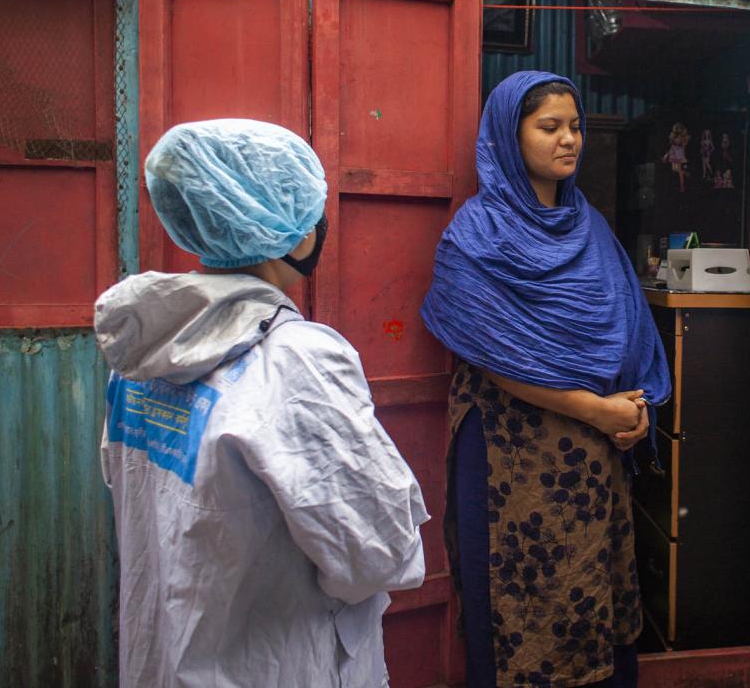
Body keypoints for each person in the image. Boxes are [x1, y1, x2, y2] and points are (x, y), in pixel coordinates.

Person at [95, 119, 429, 687]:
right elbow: (378, 552)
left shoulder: (146, 350)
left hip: (169, 657)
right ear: (298, 236)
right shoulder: (295, 359)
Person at [422, 71, 670, 687]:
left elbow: (627, 331)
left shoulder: (592, 229)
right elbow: (492, 356)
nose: (569, 140)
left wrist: (635, 413)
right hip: (510, 453)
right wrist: (597, 410)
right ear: (511, 136)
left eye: (576, 127)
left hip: (592, 457)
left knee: (592, 586)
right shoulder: (475, 234)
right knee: (517, 597)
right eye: (550, 127)